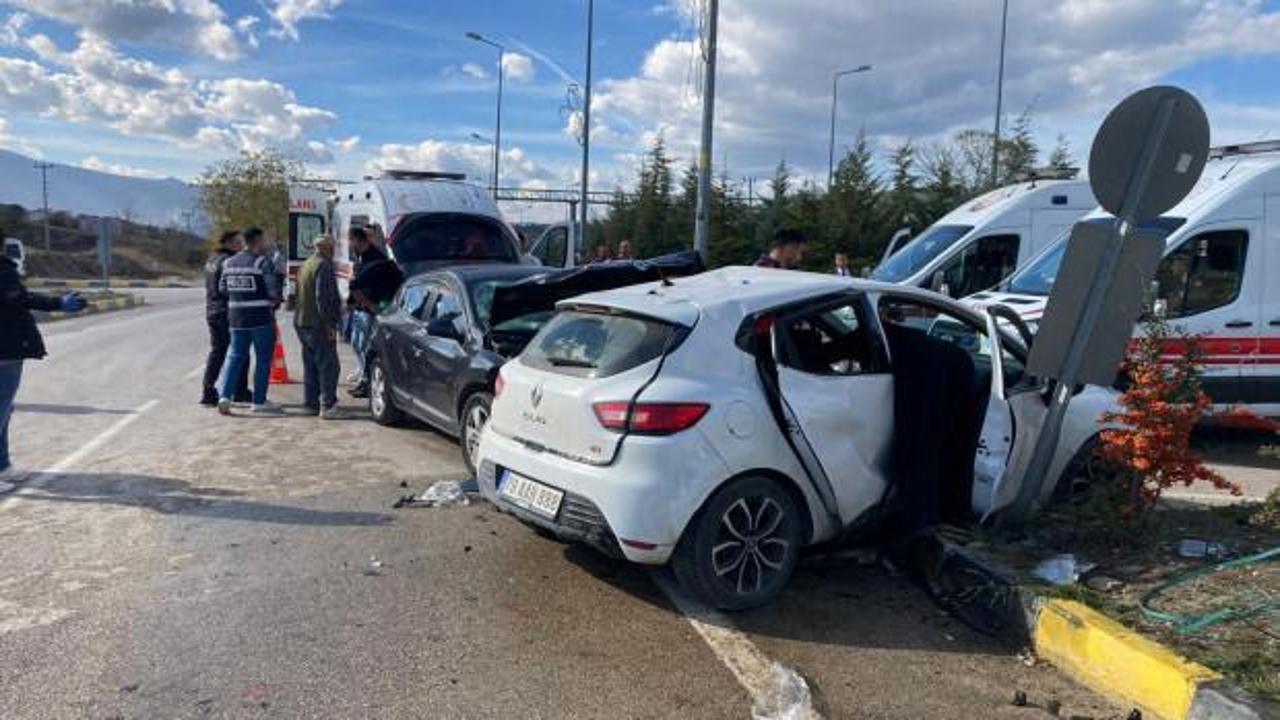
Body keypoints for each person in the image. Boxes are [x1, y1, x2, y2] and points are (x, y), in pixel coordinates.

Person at [1, 250, 86, 491]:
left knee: (5, 411)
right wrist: (59, 303)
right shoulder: (3, 271)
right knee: (1, 410)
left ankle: (3, 465)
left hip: (7, 349)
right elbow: (19, 298)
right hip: (5, 351)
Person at [218, 226, 283, 415]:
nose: (266, 243)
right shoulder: (261, 262)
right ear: (257, 241)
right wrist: (274, 301)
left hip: (236, 318)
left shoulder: (228, 262)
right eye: (264, 240)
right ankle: (259, 401)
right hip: (260, 318)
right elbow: (273, 292)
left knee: (235, 356)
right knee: (263, 359)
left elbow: (223, 288)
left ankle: (225, 396)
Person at [347, 226, 404, 397]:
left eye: (351, 241)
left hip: (372, 311)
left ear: (360, 241)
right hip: (362, 309)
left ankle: (366, 382)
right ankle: (364, 377)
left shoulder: (376, 260)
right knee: (357, 344)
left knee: (367, 348)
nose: (350, 245)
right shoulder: (362, 257)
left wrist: (370, 305)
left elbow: (356, 285)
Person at [294, 234, 344, 419]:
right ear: (326, 248)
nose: (334, 251)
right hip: (318, 323)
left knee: (311, 366)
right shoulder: (324, 266)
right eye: (333, 247)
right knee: (329, 366)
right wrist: (330, 325)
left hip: (302, 322)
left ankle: (310, 404)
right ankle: (328, 405)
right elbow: (322, 298)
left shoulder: (306, 265)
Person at [200, 230, 251, 406]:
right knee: (240, 350)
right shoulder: (228, 261)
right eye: (238, 242)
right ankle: (239, 390)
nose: (242, 246)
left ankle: (208, 390)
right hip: (227, 311)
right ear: (229, 243)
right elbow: (230, 288)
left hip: (213, 310)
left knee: (218, 351)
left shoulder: (212, 259)